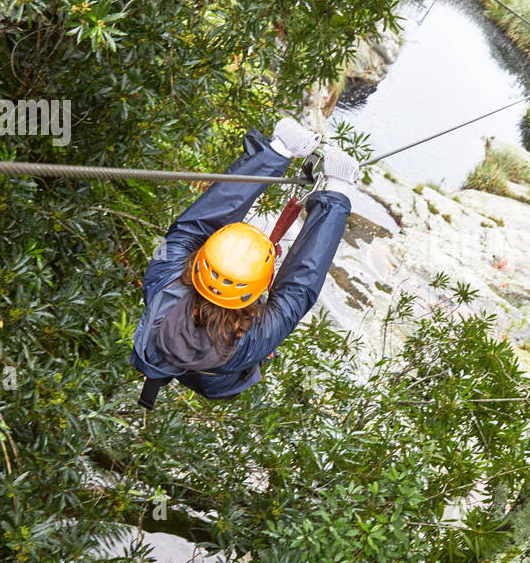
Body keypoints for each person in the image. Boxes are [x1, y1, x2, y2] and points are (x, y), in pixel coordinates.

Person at [130, 117, 359, 409]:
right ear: (257, 287)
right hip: (222, 369)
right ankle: (281, 150)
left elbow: (298, 290)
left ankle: (281, 151)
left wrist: (337, 192)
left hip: (196, 358)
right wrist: (332, 194)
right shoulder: (161, 280)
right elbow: (299, 285)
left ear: (202, 260)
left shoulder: (165, 278)